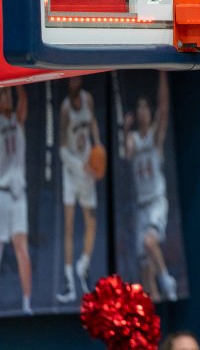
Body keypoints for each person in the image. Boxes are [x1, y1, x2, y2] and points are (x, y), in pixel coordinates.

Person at [123, 71, 177, 302]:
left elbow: (163, 109)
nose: (143, 111)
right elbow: (127, 153)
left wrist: (162, 72)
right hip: (141, 205)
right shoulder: (134, 138)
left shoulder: (155, 137)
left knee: (149, 241)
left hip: (156, 201)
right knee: (145, 270)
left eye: (146, 107)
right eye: (140, 108)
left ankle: (167, 279)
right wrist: (125, 129)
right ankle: (154, 296)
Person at [57, 77, 104, 303]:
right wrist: (80, 166)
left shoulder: (89, 100)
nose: (75, 81)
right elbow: (62, 150)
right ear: (68, 83)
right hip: (72, 171)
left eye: (77, 78)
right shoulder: (65, 109)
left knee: (91, 222)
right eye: (72, 80)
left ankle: (82, 266)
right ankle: (68, 281)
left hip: (87, 170)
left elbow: (93, 121)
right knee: (69, 224)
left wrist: (98, 144)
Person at [0, 86, 32, 315]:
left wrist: (15, 81)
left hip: (18, 194)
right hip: (0, 193)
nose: (7, 96)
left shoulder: (19, 119)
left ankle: (27, 303)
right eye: (3, 93)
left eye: (7, 93)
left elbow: (23, 99)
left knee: (22, 249)